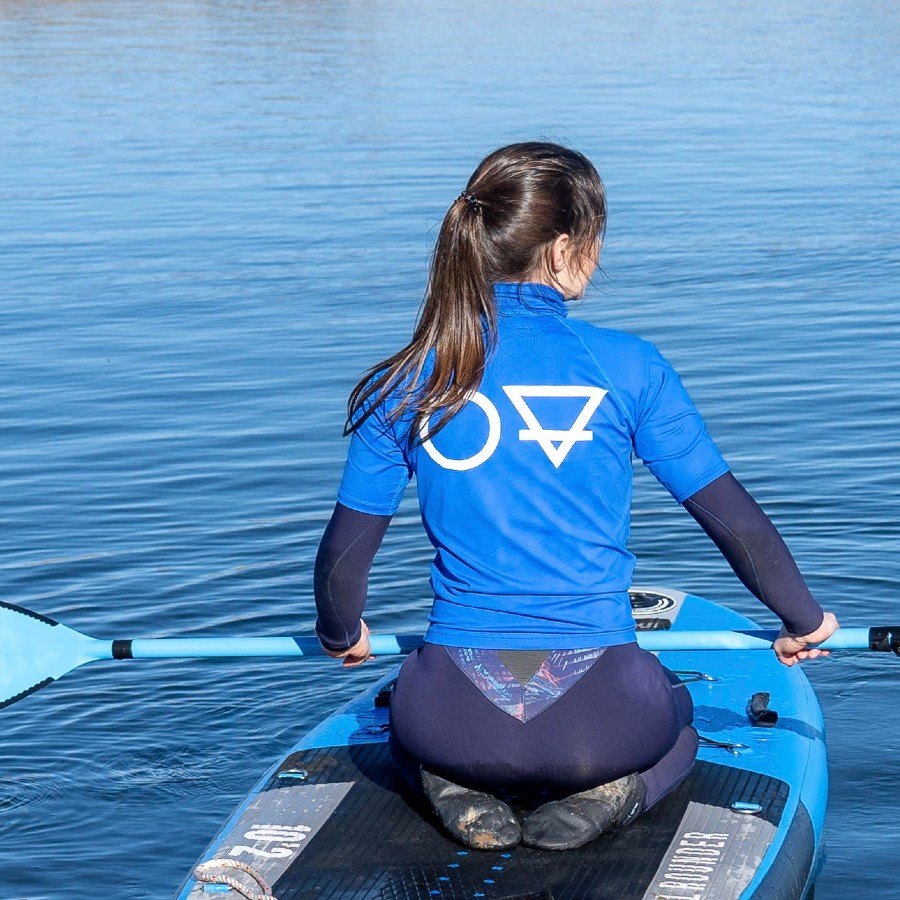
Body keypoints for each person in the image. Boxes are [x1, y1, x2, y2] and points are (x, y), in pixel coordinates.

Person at [313, 142, 839, 852]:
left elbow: (343, 562)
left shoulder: (406, 381)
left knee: (400, 714)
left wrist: (343, 635)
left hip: (449, 714)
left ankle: (449, 785)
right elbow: (734, 524)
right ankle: (618, 794)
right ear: (563, 252)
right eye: (595, 241)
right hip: (602, 723)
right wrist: (803, 619)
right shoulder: (629, 366)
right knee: (680, 718)